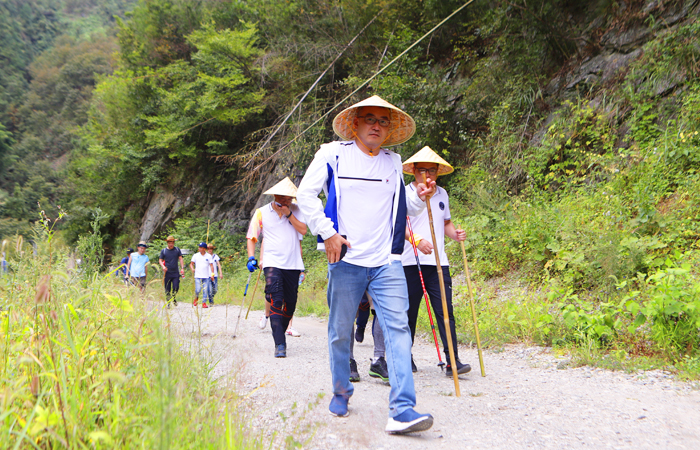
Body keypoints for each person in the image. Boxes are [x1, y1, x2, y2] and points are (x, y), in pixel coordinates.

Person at [297, 95, 436, 434]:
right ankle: (341, 390)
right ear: (355, 124)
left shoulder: (393, 161)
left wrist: (419, 195)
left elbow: (402, 209)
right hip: (345, 261)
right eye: (369, 118)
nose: (377, 125)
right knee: (339, 333)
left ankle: (402, 409)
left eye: (383, 121)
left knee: (398, 331)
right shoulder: (333, 154)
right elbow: (305, 195)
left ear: (389, 130)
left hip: (386, 262)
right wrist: (328, 234)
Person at [402, 146, 471, 377]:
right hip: (410, 262)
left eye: (432, 170)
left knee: (445, 311)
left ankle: (453, 360)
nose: (428, 174)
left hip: (439, 262)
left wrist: (455, 234)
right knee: (408, 312)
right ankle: (405, 356)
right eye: (423, 170)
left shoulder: (442, 193)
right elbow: (398, 225)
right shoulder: (404, 193)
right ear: (413, 171)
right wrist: (416, 240)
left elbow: (446, 223)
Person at [246, 177, 307, 358]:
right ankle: (279, 344)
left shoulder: (297, 210)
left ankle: (280, 330)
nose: (286, 200)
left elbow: (303, 230)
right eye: (283, 197)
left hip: (293, 264)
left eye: (289, 197)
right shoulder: (261, 212)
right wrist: (251, 257)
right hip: (272, 262)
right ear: (275, 195)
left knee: (290, 304)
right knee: (275, 299)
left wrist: (289, 213)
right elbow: (252, 236)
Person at [159, 236, 184, 307]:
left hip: (175, 272)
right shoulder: (164, 251)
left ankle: (174, 297)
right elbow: (160, 260)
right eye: (169, 242)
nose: (171, 244)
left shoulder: (177, 250)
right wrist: (163, 266)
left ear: (174, 243)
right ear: (167, 243)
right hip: (167, 272)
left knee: (176, 287)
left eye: (172, 242)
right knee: (167, 288)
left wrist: (182, 268)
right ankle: (168, 302)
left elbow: (180, 258)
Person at [190, 242, 215, 308]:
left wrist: (212, 274)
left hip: (206, 276)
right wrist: (192, 269)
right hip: (198, 275)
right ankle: (196, 298)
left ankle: (204, 303)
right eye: (199, 247)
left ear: (204, 249)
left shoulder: (208, 256)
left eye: (200, 247)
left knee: (205, 290)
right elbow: (191, 264)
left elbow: (211, 265)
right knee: (198, 289)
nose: (199, 248)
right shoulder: (195, 255)